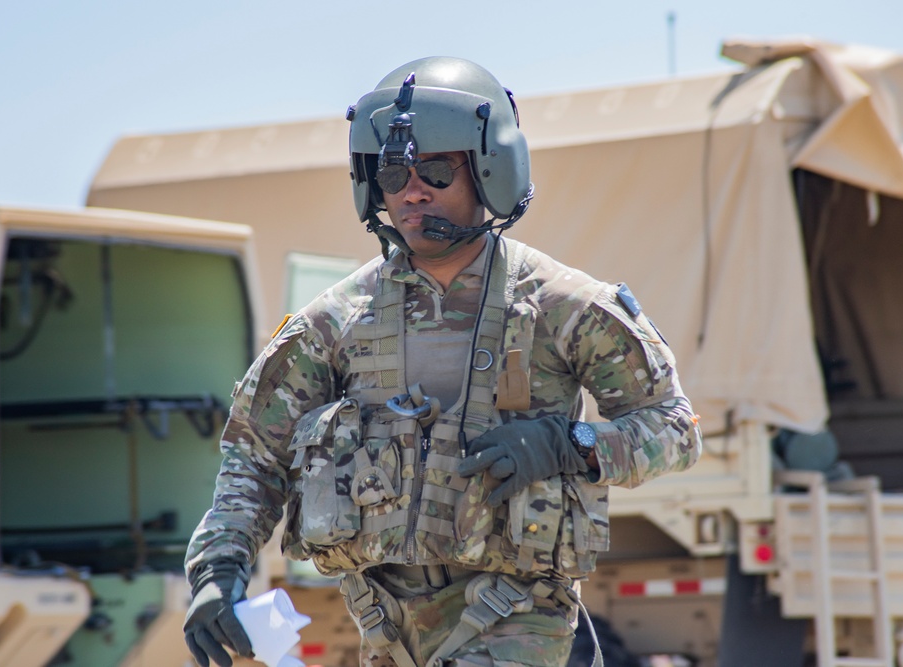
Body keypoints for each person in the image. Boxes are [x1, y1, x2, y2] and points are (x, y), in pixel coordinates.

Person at [183, 56, 702, 667]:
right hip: (383, 628)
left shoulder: (564, 306)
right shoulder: (335, 322)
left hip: (518, 618)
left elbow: (673, 429)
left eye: (433, 168)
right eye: (393, 172)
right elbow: (255, 456)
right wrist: (218, 570)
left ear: (489, 173)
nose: (411, 189)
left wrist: (572, 442)